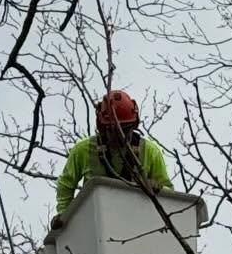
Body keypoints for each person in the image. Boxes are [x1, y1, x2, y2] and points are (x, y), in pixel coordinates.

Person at [54, 89, 171, 224]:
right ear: (103, 128)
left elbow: (169, 194)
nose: (120, 135)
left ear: (133, 125)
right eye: (113, 130)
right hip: (95, 221)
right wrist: (64, 217)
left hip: (138, 222)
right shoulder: (84, 150)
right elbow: (66, 184)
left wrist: (157, 187)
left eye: (125, 129)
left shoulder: (150, 151)